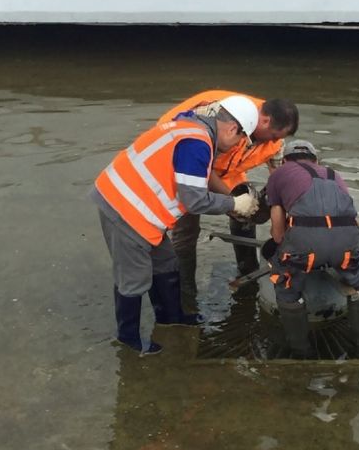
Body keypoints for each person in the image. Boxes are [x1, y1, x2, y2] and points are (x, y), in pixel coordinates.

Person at [91, 96, 260, 356]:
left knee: (166, 262)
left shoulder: (192, 127)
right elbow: (193, 200)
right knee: (134, 280)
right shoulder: (197, 142)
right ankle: (129, 341)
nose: (237, 146)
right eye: (240, 140)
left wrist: (230, 200)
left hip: (140, 207)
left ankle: (171, 318)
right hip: (124, 207)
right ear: (232, 129)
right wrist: (234, 205)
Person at [158, 89, 299, 300]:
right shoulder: (224, 117)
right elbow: (203, 167)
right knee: (186, 231)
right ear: (265, 120)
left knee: (248, 213)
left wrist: (291, 216)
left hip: (227, 169)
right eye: (273, 136)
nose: (273, 142)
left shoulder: (273, 140)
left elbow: (281, 180)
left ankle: (247, 274)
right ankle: (186, 292)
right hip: (183, 162)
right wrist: (234, 202)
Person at [265, 139, 359, 359]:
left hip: (306, 247)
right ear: (316, 160)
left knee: (286, 287)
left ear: (284, 160)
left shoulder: (278, 174)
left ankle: (301, 353)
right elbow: (350, 215)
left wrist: (282, 247)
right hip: (347, 242)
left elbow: (277, 232)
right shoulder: (334, 174)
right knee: (358, 284)